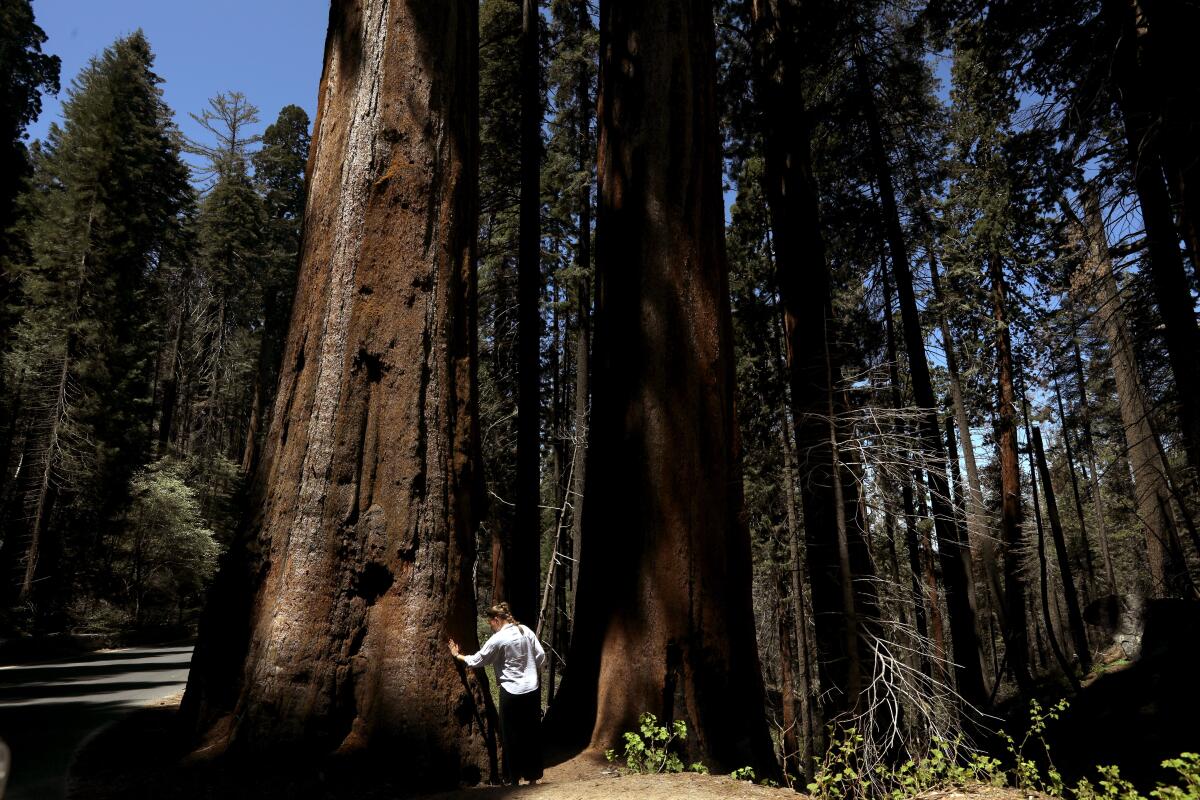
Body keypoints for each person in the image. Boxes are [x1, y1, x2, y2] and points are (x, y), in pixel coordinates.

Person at [449, 602, 546, 785]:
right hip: (532, 690)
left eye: (490, 623)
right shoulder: (525, 631)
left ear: (496, 620)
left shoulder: (499, 638)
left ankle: (514, 779)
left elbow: (478, 659)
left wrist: (457, 655)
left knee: (510, 735)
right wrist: (531, 671)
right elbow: (541, 656)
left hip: (511, 692)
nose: (490, 626)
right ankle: (532, 778)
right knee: (530, 734)